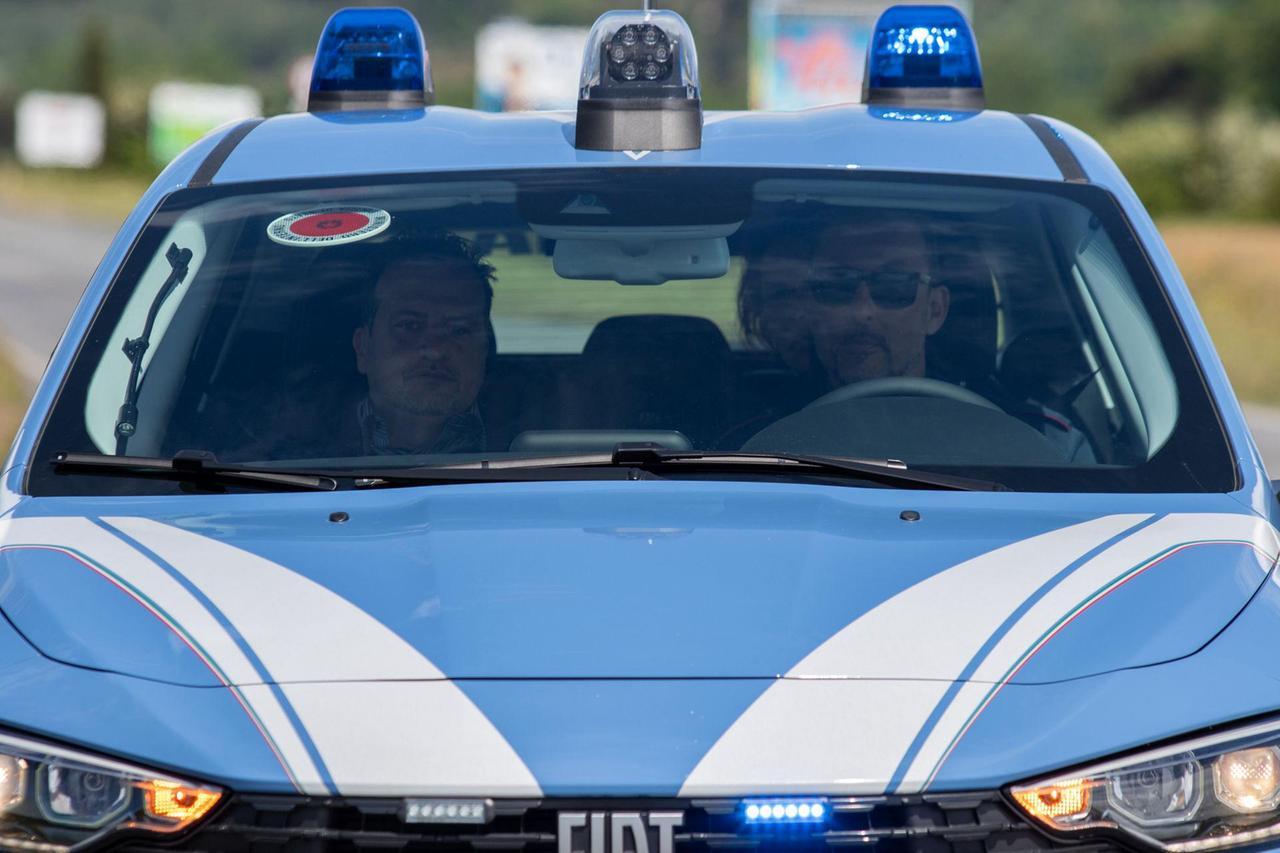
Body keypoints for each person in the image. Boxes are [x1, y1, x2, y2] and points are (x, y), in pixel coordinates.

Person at [349, 233, 496, 455]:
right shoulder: (302, 446)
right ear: (363, 348)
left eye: (459, 330)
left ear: (485, 349)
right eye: (410, 326)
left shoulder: (541, 444)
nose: (435, 351)